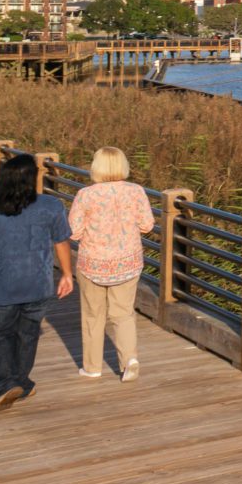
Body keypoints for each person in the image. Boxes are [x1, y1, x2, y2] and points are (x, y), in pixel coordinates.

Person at [0, 152, 75, 411]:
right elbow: (61, 242)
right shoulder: (51, 205)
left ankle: (6, 382)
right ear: (34, 179)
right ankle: (22, 381)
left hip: (2, 287)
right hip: (38, 285)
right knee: (28, 334)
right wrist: (67, 275)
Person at [67, 146, 153, 382]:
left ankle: (92, 367)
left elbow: (73, 232)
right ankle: (129, 360)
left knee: (93, 315)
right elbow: (147, 225)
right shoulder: (136, 191)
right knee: (123, 313)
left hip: (93, 263)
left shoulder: (86, 194)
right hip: (127, 262)